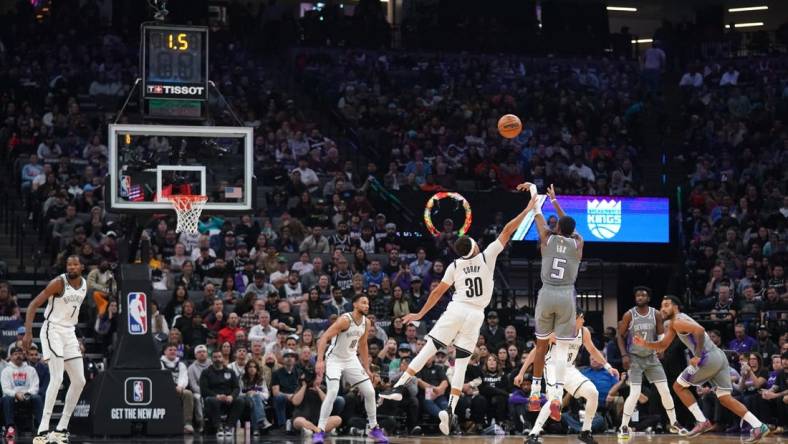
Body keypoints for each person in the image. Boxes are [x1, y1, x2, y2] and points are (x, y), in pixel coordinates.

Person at [381, 183, 538, 435]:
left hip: (457, 309)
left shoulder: (455, 265)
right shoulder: (486, 256)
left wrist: (420, 314)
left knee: (431, 347)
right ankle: (451, 411)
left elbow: (437, 292)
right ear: (474, 247)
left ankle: (399, 387)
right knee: (461, 364)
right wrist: (528, 208)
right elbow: (509, 230)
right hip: (476, 315)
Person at [633, 296, 771, 442]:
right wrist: (645, 343)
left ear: (676, 307)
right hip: (719, 357)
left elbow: (699, 330)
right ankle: (758, 425)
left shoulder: (678, 321)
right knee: (725, 398)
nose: (663, 309)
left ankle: (701, 421)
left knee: (678, 386)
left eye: (666, 305)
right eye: (661, 306)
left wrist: (697, 355)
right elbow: (663, 345)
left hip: (708, 357)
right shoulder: (676, 323)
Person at [516, 308, 619, 444]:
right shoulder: (556, 332)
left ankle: (585, 432)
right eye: (581, 317)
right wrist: (521, 372)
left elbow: (593, 350)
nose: (584, 320)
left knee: (592, 392)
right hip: (552, 367)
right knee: (554, 400)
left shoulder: (584, 332)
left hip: (569, 369)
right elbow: (537, 351)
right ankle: (533, 434)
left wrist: (608, 366)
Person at [525, 183, 583, 422]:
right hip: (567, 295)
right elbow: (571, 227)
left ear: (557, 227)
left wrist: (533, 190)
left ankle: (535, 394)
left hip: (547, 293)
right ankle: (557, 395)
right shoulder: (578, 243)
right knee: (560, 349)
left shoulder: (546, 240)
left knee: (541, 346)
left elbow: (536, 213)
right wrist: (558, 204)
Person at [22, 255, 87, 444]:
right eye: (69, 264)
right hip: (53, 330)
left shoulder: (84, 285)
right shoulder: (58, 283)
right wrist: (28, 333)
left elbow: (73, 312)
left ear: (81, 267)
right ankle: (42, 430)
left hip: (69, 332)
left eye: (75, 264)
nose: (72, 267)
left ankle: (61, 428)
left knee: (79, 380)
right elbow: (33, 305)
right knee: (57, 377)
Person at [314, 294, 387, 443]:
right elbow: (324, 338)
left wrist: (366, 368)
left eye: (368, 304)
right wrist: (320, 360)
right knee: (333, 392)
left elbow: (363, 345)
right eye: (363, 303)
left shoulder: (367, 322)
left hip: (351, 359)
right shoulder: (344, 320)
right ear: (354, 304)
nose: (366, 306)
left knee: (370, 391)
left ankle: (374, 428)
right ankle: (319, 431)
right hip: (334, 359)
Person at [616, 286, 683, 438]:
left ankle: (674, 422)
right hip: (635, 358)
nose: (639, 297)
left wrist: (661, 348)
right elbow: (619, 336)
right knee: (634, 393)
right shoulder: (629, 315)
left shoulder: (656, 314)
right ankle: (623, 426)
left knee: (665, 390)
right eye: (637, 296)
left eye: (643, 295)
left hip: (652, 357)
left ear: (648, 298)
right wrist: (624, 355)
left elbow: (660, 334)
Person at [199, 350, 246, 437]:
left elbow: (236, 387)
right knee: (211, 400)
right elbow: (204, 389)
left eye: (219, 357)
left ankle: (229, 426)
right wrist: (217, 396)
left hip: (228, 399)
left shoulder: (230, 371)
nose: (217, 359)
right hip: (214, 399)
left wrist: (231, 396)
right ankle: (219, 427)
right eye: (215, 357)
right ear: (211, 359)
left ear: (223, 358)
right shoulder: (206, 372)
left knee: (240, 400)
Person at [2, 345, 43, 440]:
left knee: (37, 397)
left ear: (23, 356)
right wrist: (16, 394)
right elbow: (5, 389)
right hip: (12, 398)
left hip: (27, 397)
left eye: (20, 354)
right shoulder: (6, 371)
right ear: (11, 356)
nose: (18, 356)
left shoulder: (31, 370)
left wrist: (26, 394)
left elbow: (35, 387)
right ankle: (10, 428)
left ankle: (41, 426)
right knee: (6, 398)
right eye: (15, 354)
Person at [160, 343, 195, 434]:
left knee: (188, 393)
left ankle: (187, 423)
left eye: (175, 350)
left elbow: (184, 377)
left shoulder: (181, 364)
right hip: (163, 389)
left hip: (178, 389)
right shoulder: (160, 363)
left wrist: (180, 386)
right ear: (165, 352)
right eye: (170, 350)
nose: (173, 352)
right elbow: (160, 378)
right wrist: (170, 387)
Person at [187, 344, 210, 431]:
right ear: (195, 355)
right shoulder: (191, 368)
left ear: (207, 354)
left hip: (213, 390)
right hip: (199, 391)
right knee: (197, 398)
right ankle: (201, 423)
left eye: (204, 352)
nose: (202, 354)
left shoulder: (212, 364)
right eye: (199, 352)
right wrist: (204, 392)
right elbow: (193, 385)